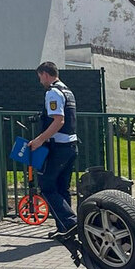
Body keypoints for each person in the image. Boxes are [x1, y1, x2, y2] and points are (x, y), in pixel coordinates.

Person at [30, 62, 79, 239]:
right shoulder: (68, 91)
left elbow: (58, 121)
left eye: (39, 77)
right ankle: (65, 230)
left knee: (47, 187)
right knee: (62, 188)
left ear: (44, 74)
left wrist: (38, 140)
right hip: (71, 146)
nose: (40, 81)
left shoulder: (53, 92)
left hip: (58, 148)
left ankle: (71, 224)